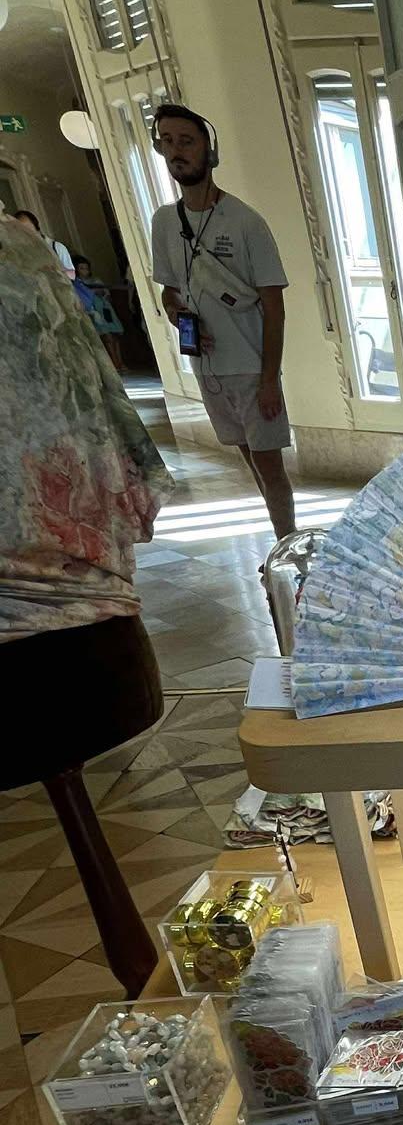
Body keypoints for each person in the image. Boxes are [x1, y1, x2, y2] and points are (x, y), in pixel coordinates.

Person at [0, 214, 172, 990]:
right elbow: (119, 448)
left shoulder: (21, 250)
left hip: (78, 628)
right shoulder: (23, 251)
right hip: (85, 618)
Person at [148, 102, 295, 539]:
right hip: (208, 368)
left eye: (187, 141)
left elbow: (274, 305)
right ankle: (281, 544)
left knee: (269, 465)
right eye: (168, 141)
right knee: (250, 460)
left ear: (208, 150)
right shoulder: (164, 222)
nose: (177, 151)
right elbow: (169, 291)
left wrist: (269, 379)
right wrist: (177, 314)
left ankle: (288, 546)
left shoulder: (246, 222)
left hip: (251, 367)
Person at [70, 254, 126, 370]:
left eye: (86, 268)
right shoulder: (78, 284)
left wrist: (102, 293)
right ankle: (114, 363)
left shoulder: (96, 280)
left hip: (106, 310)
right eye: (81, 268)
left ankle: (121, 363)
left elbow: (106, 293)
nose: (84, 271)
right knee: (106, 337)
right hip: (94, 311)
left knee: (115, 337)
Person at [8, 208, 74, 276]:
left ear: (37, 229)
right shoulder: (20, 252)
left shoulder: (57, 247)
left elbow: (72, 274)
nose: (26, 233)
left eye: (28, 229)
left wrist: (53, 273)